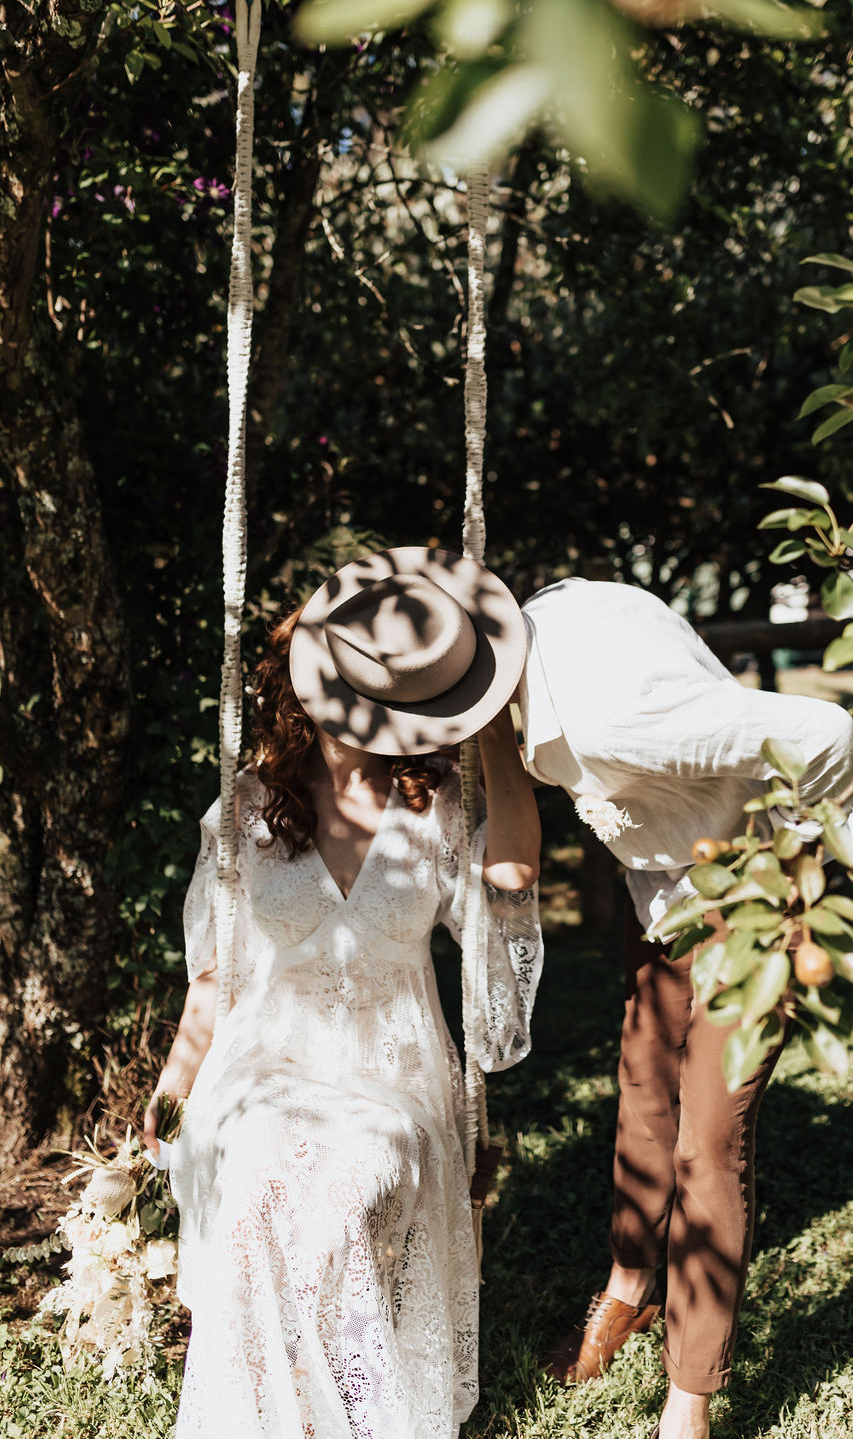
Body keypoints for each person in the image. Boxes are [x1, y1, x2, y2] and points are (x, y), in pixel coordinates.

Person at [144, 547, 543, 1439]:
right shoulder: (245, 807)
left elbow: (512, 874)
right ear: (305, 692)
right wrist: (175, 1088)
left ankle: (345, 1407)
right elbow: (212, 979)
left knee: (354, 1174)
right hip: (264, 1065)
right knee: (253, 1178)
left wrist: (489, 735)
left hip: (391, 1072)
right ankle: (306, 1411)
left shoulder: (436, 803)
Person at [516, 577, 853, 1439]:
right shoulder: (513, 669)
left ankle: (689, 1396)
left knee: (709, 1138)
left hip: (756, 891)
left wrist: (791, 890)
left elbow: (827, 731)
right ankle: (630, 1289)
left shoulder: (608, 718)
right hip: (665, 894)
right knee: (642, 1095)